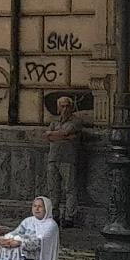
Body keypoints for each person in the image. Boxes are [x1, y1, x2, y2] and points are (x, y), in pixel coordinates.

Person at [44, 96, 86, 226]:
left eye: (67, 106)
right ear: (58, 108)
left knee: (70, 188)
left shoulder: (76, 121)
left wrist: (54, 134)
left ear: (71, 108)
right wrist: (62, 136)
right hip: (53, 158)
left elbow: (66, 132)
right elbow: (48, 136)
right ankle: (54, 215)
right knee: (53, 188)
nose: (65, 109)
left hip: (68, 159)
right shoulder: (54, 122)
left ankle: (69, 217)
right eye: (62, 106)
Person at [0, 196, 61, 260]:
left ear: (46, 208)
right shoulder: (28, 220)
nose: (37, 209)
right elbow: (17, 231)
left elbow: (40, 241)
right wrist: (6, 239)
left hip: (38, 254)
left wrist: (20, 242)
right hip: (24, 243)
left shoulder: (51, 224)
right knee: (7, 243)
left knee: (16, 247)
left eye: (40, 206)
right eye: (35, 206)